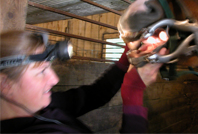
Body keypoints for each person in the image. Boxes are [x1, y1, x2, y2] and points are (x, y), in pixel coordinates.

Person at [0, 30, 166, 133]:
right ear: (4, 84)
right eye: (41, 71)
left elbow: (94, 96)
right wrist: (133, 91)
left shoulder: (40, 106)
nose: (55, 79)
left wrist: (126, 57)